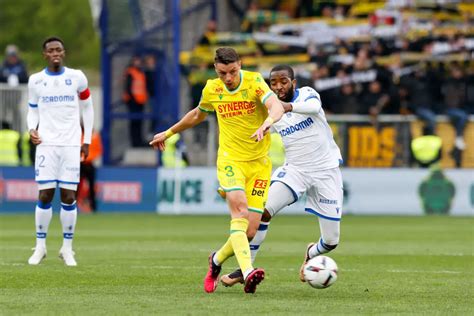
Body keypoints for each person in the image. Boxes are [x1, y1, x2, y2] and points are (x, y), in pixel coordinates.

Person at [150, 47, 284, 293]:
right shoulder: (212, 89)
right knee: (240, 213)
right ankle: (247, 271)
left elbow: (275, 105)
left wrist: (268, 121)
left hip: (259, 165)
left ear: (240, 65)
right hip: (230, 160)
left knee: (251, 231)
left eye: (233, 71)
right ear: (215, 69)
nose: (229, 78)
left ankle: (216, 260)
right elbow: (197, 115)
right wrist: (169, 133)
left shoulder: (254, 82)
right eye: (223, 73)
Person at [219, 64, 343, 287]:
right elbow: (252, 130)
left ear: (293, 83)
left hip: (326, 171)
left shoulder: (307, 95)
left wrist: (286, 107)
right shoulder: (271, 112)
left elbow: (313, 108)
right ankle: (245, 269)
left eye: (283, 81)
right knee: (262, 212)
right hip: (295, 171)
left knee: (332, 241)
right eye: (273, 83)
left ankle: (311, 252)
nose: (278, 86)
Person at [26, 36, 94, 266]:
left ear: (64, 53)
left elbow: (88, 107)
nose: (55, 53)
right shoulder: (35, 81)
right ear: (44, 54)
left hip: (71, 144)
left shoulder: (77, 77)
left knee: (69, 196)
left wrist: (87, 139)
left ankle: (67, 248)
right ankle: (40, 246)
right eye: (51, 50)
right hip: (46, 144)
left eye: (59, 49)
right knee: (45, 194)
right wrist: (31, 129)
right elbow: (32, 110)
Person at [123, 56, 148, 147]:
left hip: (140, 101)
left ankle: (139, 141)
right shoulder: (130, 72)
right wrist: (132, 100)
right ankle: (135, 142)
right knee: (134, 123)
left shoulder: (140, 73)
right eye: (136, 61)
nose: (138, 63)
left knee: (139, 123)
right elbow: (128, 88)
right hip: (133, 102)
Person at [79, 129, 103, 212]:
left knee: (92, 186)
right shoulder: (79, 134)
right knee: (75, 186)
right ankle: (73, 206)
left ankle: (93, 207)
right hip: (80, 164)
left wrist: (89, 158)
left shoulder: (95, 136)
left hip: (89, 164)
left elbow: (99, 150)